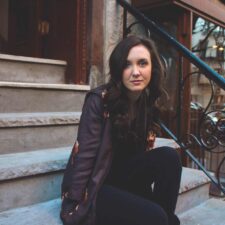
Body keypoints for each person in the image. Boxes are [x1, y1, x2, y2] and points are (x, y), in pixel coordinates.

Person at [60, 35, 182, 225]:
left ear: (152, 68)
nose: (136, 72)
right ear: (118, 70)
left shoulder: (144, 100)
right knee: (157, 218)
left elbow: (140, 157)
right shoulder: (99, 100)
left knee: (169, 157)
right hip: (97, 186)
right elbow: (84, 156)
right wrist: (75, 206)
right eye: (127, 65)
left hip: (123, 178)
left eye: (142, 63)